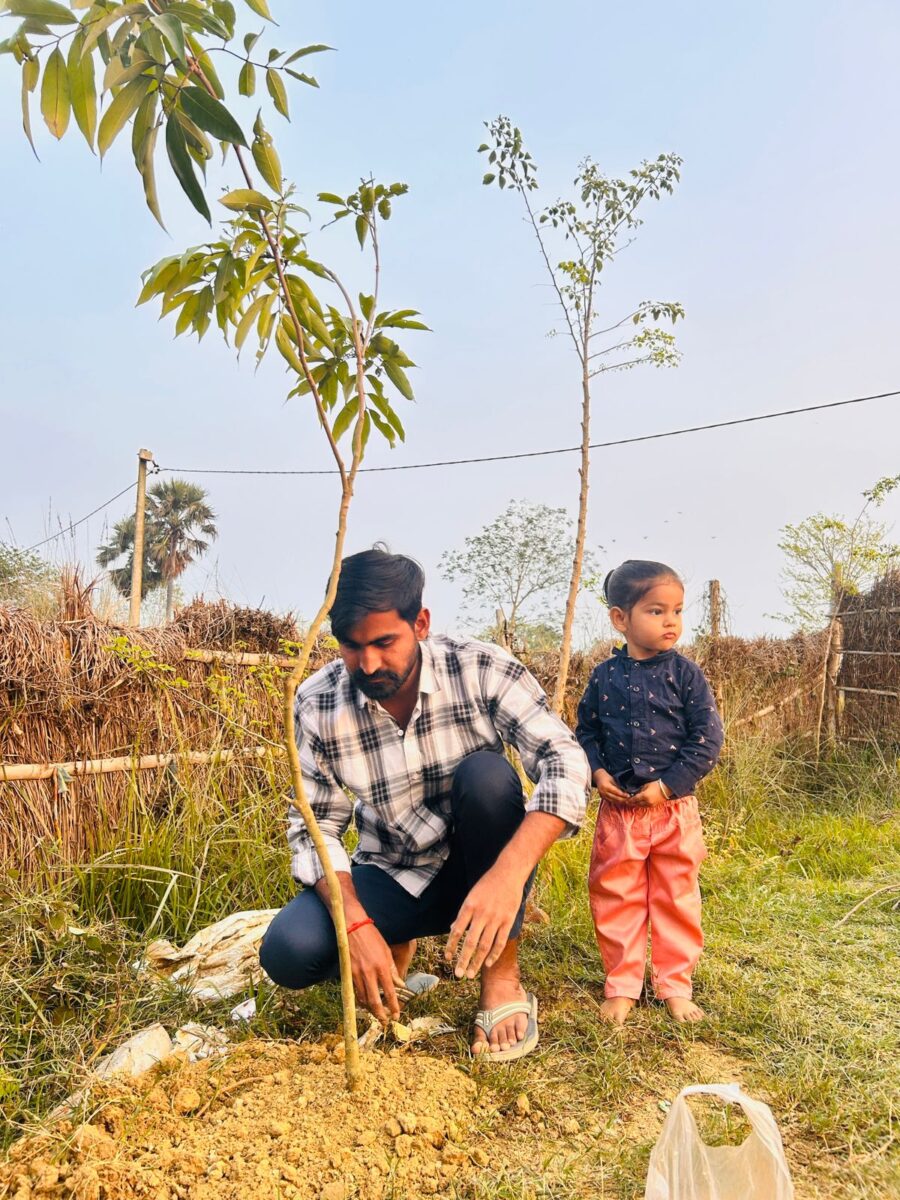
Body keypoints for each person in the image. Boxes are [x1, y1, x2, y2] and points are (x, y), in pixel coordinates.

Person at [260, 547, 590, 1060]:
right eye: (351, 646)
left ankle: (502, 975)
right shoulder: (317, 702)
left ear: (421, 623)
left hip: (483, 867)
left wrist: (507, 878)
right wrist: (356, 925)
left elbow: (565, 762)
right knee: (289, 952)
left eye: (384, 642)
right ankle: (395, 942)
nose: (368, 663)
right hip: (394, 868)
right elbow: (315, 826)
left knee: (486, 776)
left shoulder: (479, 667)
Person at [575, 560, 723, 1026]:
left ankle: (675, 985)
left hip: (674, 811)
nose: (671, 621)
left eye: (677, 611)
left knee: (676, 898)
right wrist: (597, 772)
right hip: (619, 814)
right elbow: (586, 732)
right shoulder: (604, 677)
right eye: (656, 611)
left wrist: (667, 785)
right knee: (616, 896)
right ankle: (622, 984)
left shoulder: (686, 674)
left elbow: (707, 739)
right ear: (620, 618)